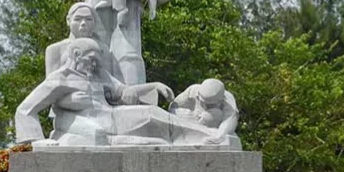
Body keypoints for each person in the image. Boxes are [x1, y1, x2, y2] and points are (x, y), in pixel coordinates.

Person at [15, 38, 225, 147]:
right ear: (76, 54)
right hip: (80, 122)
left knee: (152, 113)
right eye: (91, 59)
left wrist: (153, 85)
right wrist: (36, 140)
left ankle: (209, 136)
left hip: (111, 116)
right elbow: (25, 109)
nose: (94, 64)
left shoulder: (99, 74)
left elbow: (122, 91)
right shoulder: (59, 79)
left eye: (97, 60)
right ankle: (146, 143)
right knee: (98, 137)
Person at [169, 79, 240, 145]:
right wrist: (190, 117)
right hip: (189, 123)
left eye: (210, 105)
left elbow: (229, 121)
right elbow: (173, 108)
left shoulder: (228, 100)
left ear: (221, 100)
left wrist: (218, 138)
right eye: (203, 103)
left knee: (216, 114)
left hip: (212, 128)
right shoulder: (192, 91)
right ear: (198, 96)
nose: (205, 108)